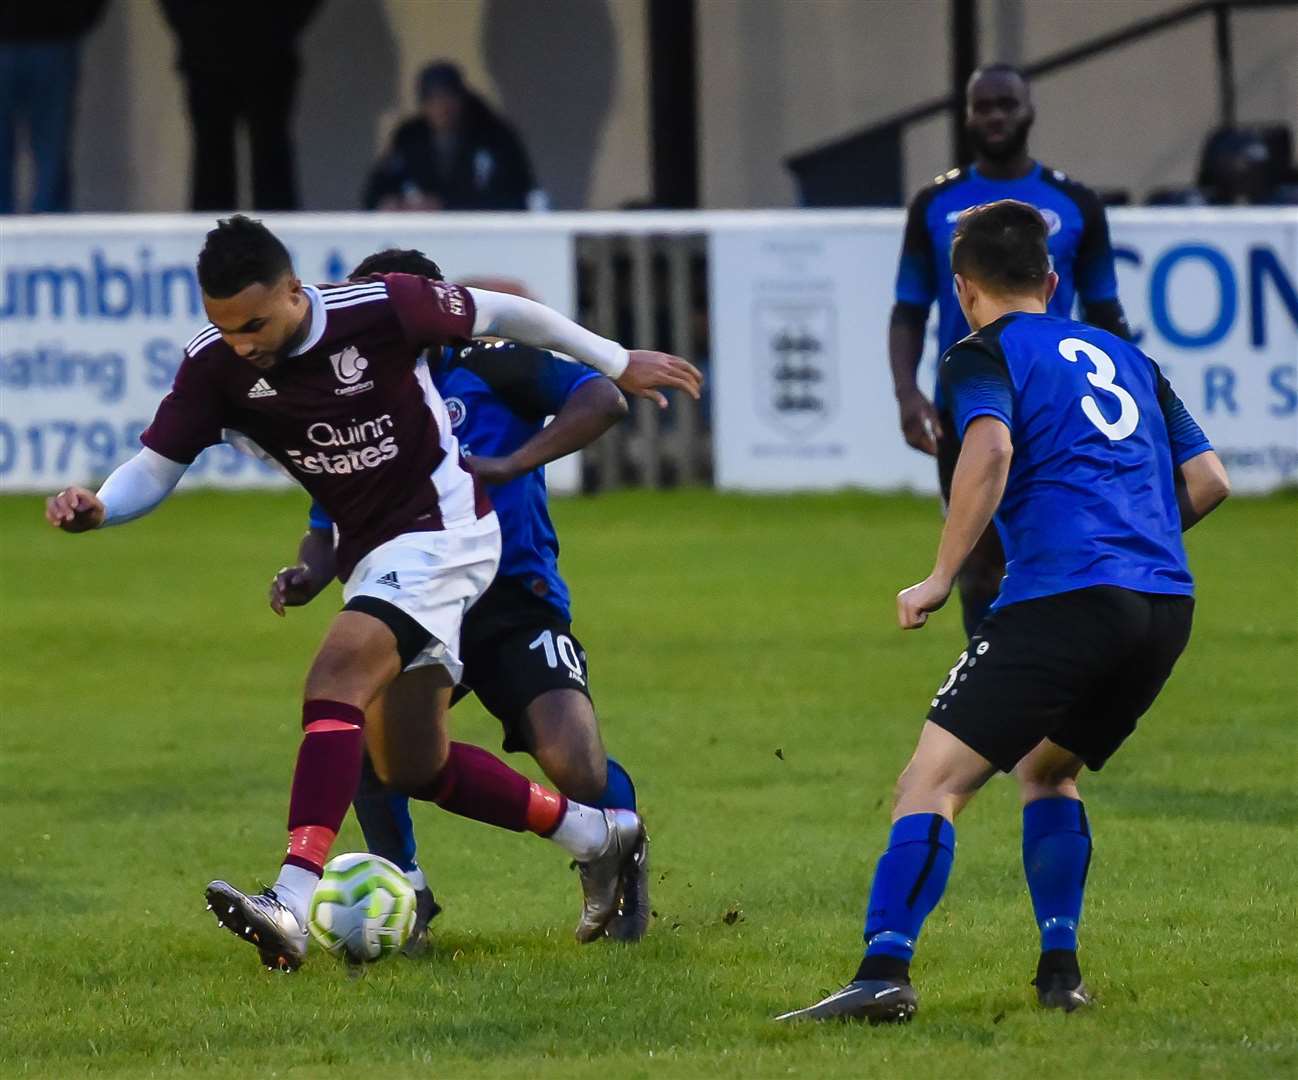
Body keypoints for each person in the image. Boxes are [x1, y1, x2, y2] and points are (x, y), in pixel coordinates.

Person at [44, 215, 702, 971]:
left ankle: (291, 899)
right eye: (224, 327)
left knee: (336, 680)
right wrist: (100, 505)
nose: (243, 342)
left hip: (449, 535)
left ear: (296, 290)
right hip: (377, 560)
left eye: (255, 323)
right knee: (411, 764)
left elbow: (511, 313)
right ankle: (598, 835)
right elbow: (156, 466)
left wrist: (617, 360)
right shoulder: (218, 365)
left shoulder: (383, 311)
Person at [779, 200, 1229, 1024]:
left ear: (964, 289)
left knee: (929, 784)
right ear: (1052, 282)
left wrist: (941, 576)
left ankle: (884, 972)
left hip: (1064, 597)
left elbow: (989, 449)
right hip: (1164, 605)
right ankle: (1060, 976)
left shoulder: (978, 353)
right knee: (1047, 770)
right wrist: (1141, 540)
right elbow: (1209, 481)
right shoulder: (1127, 355)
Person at [270, 248, 650, 948]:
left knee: (575, 762)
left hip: (514, 596)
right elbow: (325, 523)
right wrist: (306, 571)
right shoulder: (353, 405)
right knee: (362, 744)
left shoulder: (492, 364)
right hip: (418, 601)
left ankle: (620, 857)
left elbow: (601, 398)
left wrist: (514, 462)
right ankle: (407, 892)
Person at [891, 63, 1132, 638]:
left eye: (1006, 104)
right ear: (967, 115)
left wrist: (1129, 392)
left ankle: (1047, 682)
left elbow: (1105, 310)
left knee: (1057, 546)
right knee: (978, 556)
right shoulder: (934, 203)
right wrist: (906, 393)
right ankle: (990, 678)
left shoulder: (1076, 203)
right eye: (983, 106)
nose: (995, 116)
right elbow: (908, 308)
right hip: (968, 400)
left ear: (1029, 111)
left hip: (1055, 399)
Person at [160, 0, 320, 211]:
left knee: (263, 157)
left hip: (254, 51)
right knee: (218, 161)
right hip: (224, 50)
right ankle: (229, 237)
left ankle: (265, 235)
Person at [363, 61, 536, 211]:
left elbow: (516, 198)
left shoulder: (494, 136)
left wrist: (445, 204)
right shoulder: (410, 136)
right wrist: (393, 202)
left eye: (448, 97)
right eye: (432, 99)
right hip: (422, 236)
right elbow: (374, 194)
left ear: (461, 99)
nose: (442, 107)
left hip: (481, 236)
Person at [0, 1, 106, 213]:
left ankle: (51, 236)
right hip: (54, 33)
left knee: (52, 156)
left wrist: (77, 19)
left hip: (54, 35)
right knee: (51, 154)